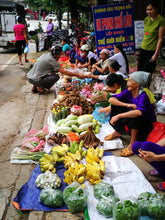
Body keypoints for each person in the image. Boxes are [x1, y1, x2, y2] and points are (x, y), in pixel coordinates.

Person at [104, 71, 156, 157]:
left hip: (146, 125)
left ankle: (133, 143)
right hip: (137, 122)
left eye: (130, 80)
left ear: (137, 84)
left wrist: (118, 116)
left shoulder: (143, 96)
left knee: (134, 115)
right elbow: (111, 99)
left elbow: (139, 112)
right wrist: (126, 104)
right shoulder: (128, 91)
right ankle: (118, 131)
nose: (127, 82)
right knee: (116, 105)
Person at [137, 0, 165, 75]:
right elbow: (147, 33)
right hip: (143, 48)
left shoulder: (161, 20)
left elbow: (160, 38)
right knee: (139, 70)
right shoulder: (146, 19)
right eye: (147, 9)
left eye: (151, 9)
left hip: (152, 50)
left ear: (156, 9)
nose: (149, 12)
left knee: (147, 72)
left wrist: (155, 54)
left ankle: (146, 86)